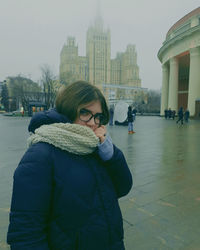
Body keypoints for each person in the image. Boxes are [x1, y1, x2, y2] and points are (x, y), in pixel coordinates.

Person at [7, 81, 133, 250]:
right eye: (84, 113)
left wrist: (111, 155)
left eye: (98, 116)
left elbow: (123, 187)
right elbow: (26, 233)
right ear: (69, 109)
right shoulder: (40, 156)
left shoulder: (95, 146)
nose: (92, 123)